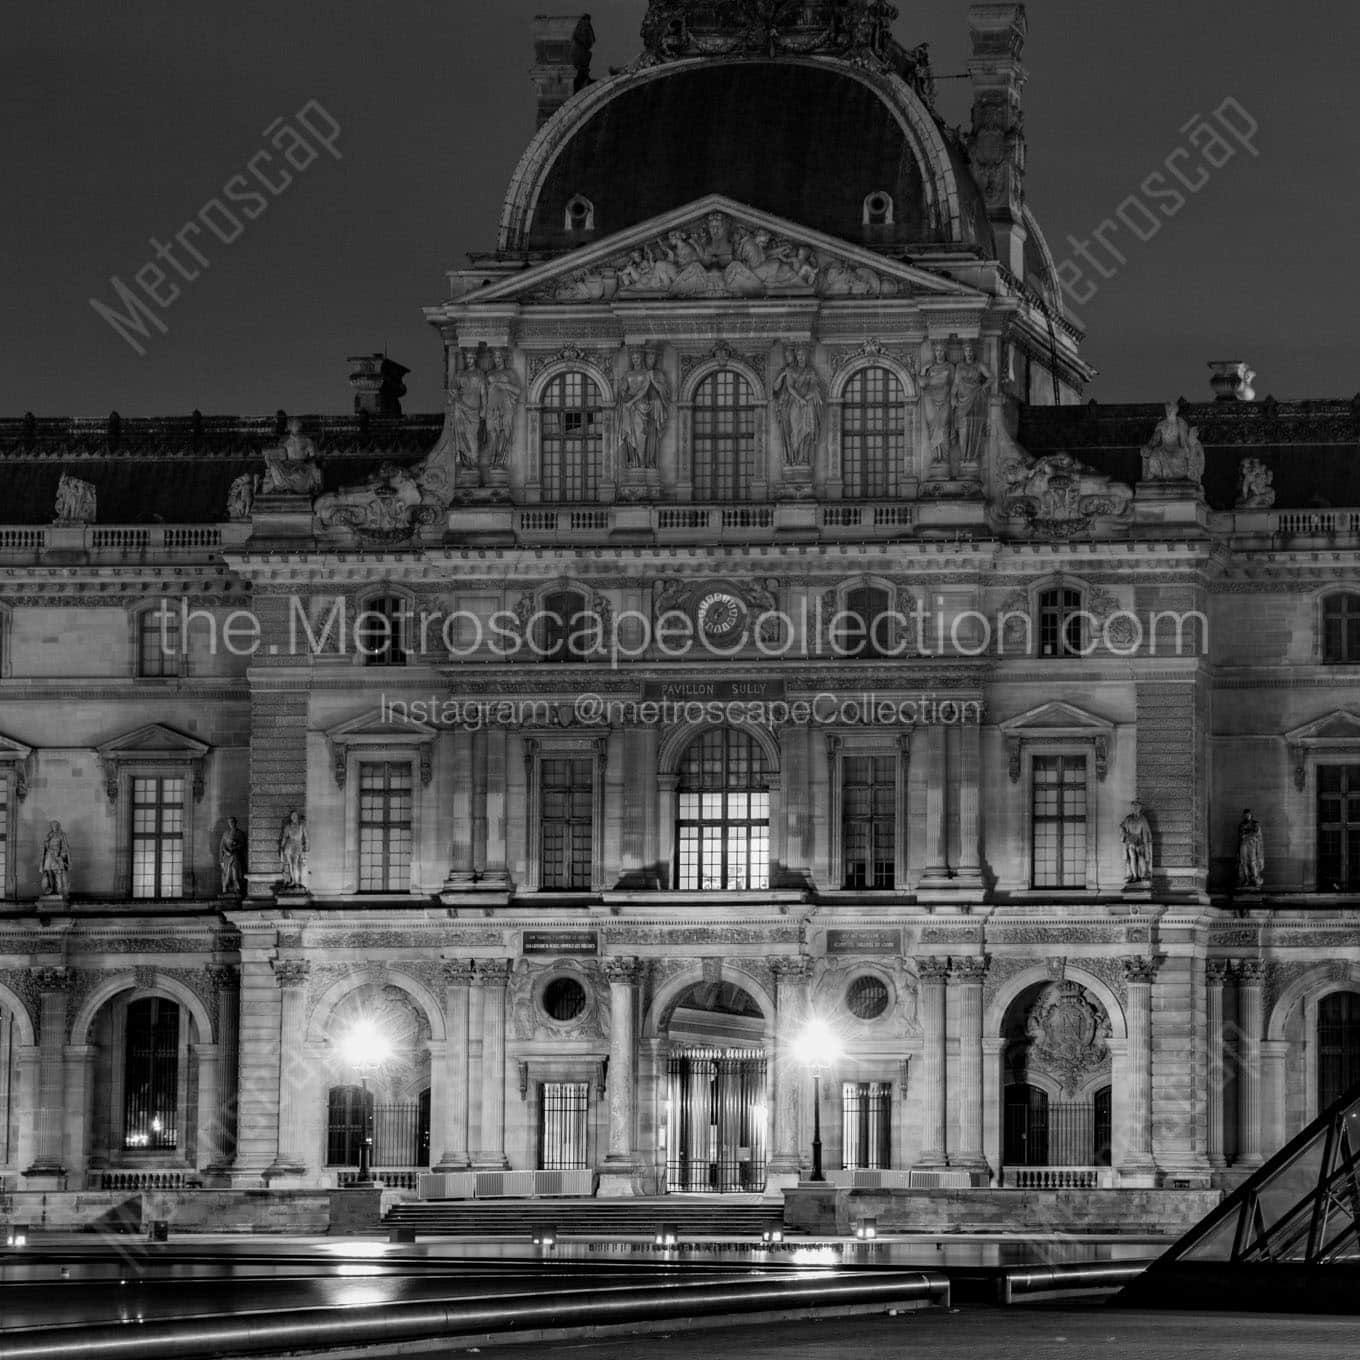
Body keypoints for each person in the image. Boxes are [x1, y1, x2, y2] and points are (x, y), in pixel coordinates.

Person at [772, 345, 825, 467]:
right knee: (795, 431)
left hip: (807, 403)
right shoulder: (790, 370)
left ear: (807, 356)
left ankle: (804, 458)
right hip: (795, 402)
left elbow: (814, 387)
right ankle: (794, 459)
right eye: (798, 355)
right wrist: (800, 399)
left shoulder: (810, 371)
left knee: (808, 431)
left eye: (803, 355)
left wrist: (807, 398)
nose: (800, 357)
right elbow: (790, 387)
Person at [617, 348, 670, 470]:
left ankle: (642, 462)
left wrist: (632, 401)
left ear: (641, 359)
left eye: (637, 358)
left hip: (641, 405)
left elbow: (644, 390)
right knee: (630, 436)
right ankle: (634, 461)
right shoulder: (628, 374)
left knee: (641, 433)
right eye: (633, 358)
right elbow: (623, 388)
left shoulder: (647, 373)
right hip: (629, 407)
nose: (635, 360)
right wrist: (623, 392)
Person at [952, 341, 991, 466]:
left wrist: (984, 387)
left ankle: (972, 458)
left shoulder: (979, 365)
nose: (969, 353)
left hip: (976, 399)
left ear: (974, 352)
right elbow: (956, 383)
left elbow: (991, 377)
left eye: (971, 351)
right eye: (967, 351)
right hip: (962, 400)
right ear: (964, 352)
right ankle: (964, 457)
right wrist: (953, 396)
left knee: (974, 428)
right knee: (963, 429)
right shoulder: (959, 366)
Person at [262, 417, 323, 495]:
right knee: (274, 466)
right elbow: (282, 457)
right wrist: (272, 459)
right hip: (288, 465)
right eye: (294, 425)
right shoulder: (285, 442)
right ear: (290, 427)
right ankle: (285, 487)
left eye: (298, 425)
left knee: (299, 474)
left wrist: (304, 463)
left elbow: (312, 456)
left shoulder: (307, 441)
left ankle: (290, 487)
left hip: (302, 465)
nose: (297, 427)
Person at [920, 340, 956, 469]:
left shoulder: (950, 366)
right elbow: (922, 384)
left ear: (945, 352)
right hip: (931, 400)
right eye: (937, 350)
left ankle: (945, 459)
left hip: (945, 399)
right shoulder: (930, 368)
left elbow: (954, 384)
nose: (939, 353)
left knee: (944, 427)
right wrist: (924, 370)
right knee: (933, 428)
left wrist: (952, 398)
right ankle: (936, 457)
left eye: (941, 350)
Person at [484, 350, 521, 469]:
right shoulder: (489, 373)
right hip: (492, 406)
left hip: (506, 406)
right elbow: (483, 393)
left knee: (504, 434)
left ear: (503, 358)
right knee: (492, 434)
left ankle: (500, 461)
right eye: (495, 357)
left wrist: (503, 385)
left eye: (499, 357)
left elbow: (517, 391)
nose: (497, 359)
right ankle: (492, 460)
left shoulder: (510, 373)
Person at [1120, 800, 1153, 883]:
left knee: (1141, 857)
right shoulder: (1128, 818)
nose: (1135, 808)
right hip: (1130, 840)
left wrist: (1148, 841)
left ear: (1140, 808)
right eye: (1134, 807)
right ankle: (1134, 876)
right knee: (1132, 858)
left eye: (1137, 807)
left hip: (1140, 840)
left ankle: (1142, 875)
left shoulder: (1143, 818)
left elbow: (1147, 830)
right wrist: (1126, 835)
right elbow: (1122, 827)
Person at [278, 810, 308, 891]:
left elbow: (306, 836)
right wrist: (281, 847)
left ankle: (297, 881)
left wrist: (307, 846)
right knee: (290, 864)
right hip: (289, 845)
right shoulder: (288, 826)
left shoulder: (302, 825)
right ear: (291, 817)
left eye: (295, 815)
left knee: (296, 864)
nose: (294, 817)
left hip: (298, 845)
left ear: (297, 816)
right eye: (292, 816)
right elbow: (284, 837)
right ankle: (293, 881)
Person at [1236, 808, 1265, 890]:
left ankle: (1255, 879)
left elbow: (1255, 833)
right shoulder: (1241, 825)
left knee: (1252, 862)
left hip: (1252, 845)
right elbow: (1240, 837)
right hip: (1243, 844)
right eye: (1245, 815)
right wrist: (1237, 850)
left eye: (1248, 815)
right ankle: (1246, 879)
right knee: (1243, 862)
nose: (1246, 816)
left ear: (1251, 815)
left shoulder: (1255, 824)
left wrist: (1246, 835)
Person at [40, 821, 70, 897]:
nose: (54, 827)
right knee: (49, 872)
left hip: (57, 856)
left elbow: (64, 847)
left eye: (55, 825)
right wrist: (46, 841)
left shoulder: (62, 835)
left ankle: (59, 890)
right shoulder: (49, 835)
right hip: (49, 855)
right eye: (52, 826)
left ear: (58, 826)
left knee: (58, 873)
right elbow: (45, 847)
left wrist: (61, 856)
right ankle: (51, 888)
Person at [219, 816, 246, 895]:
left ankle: (236, 888)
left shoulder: (240, 833)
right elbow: (222, 845)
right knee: (226, 872)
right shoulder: (225, 833)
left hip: (235, 855)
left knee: (235, 871)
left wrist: (235, 846)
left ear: (235, 822)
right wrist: (225, 852)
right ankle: (226, 888)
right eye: (230, 822)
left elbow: (242, 844)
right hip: (227, 857)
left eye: (232, 822)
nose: (231, 823)